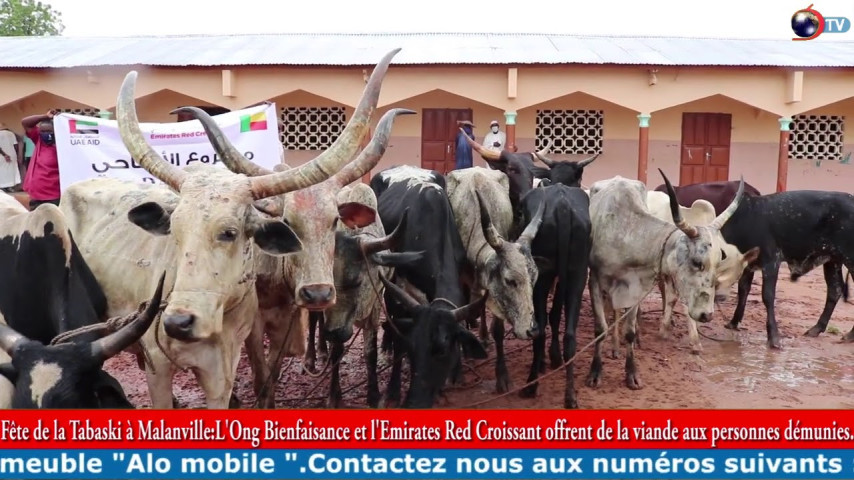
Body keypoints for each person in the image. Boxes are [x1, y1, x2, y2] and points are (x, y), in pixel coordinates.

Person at [22, 110, 60, 209]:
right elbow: (25, 122)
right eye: (42, 131)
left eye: (49, 131)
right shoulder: (39, 140)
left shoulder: (62, 145)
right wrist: (45, 116)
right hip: (37, 194)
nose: (45, 134)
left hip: (55, 195)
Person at [0, 123, 21, 193]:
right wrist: (17, 154)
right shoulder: (11, 133)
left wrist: (4, 155)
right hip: (12, 154)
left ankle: (3, 187)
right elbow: (16, 145)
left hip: (2, 156)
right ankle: (9, 187)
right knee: (11, 171)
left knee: (2, 171)